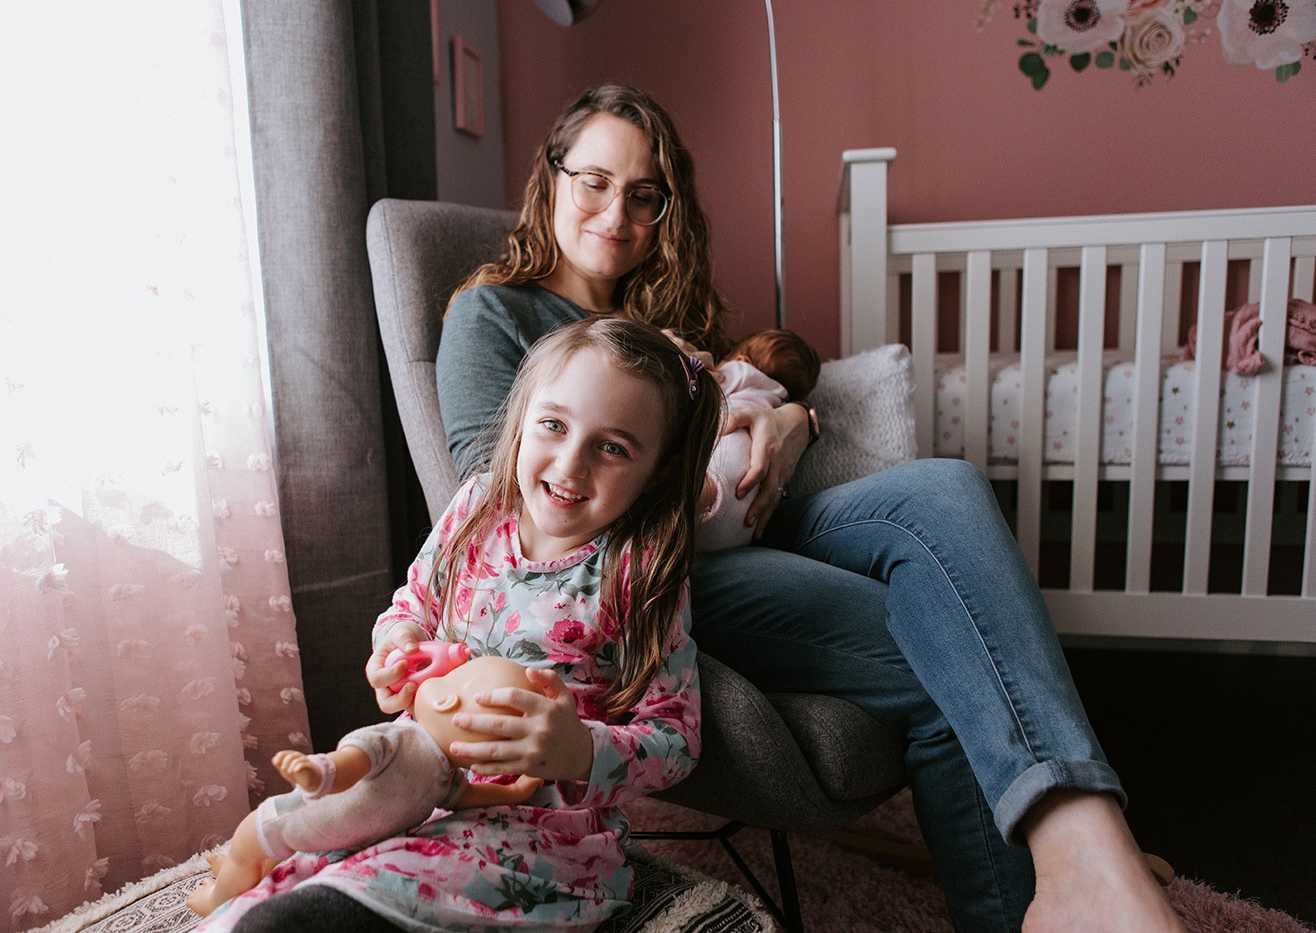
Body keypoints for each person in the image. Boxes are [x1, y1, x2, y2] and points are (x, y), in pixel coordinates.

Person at [434, 84, 1184, 932]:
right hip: (644, 571)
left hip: (752, 518)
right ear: (552, 177)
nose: (619, 212)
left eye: (645, 194)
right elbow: (501, 508)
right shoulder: (495, 311)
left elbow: (751, 383)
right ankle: (1066, 867)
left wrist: (791, 420)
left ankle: (1079, 846)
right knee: (946, 646)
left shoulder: (664, 312)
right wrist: (683, 471)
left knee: (945, 488)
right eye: (595, 181)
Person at [195, 316, 723, 932]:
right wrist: (398, 646)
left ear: (657, 471)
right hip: (412, 779)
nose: (570, 464)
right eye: (553, 425)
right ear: (523, 419)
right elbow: (411, 605)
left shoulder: (638, 571)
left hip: (537, 832)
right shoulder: (478, 509)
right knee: (281, 883)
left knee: (334, 908)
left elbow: (677, 740)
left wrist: (578, 750)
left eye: (612, 447)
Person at [185, 651, 544, 918]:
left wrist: (315, 773)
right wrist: (515, 792)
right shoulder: (428, 763)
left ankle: (227, 884)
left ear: (445, 699)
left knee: (251, 848)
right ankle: (230, 883)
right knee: (256, 851)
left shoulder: (414, 750)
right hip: (317, 829)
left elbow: (350, 766)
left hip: (307, 826)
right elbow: (467, 797)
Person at [695, 328, 820, 552]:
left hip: (720, 466)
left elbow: (701, 390)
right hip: (744, 524)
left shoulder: (738, 372)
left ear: (740, 359)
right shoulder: (776, 400)